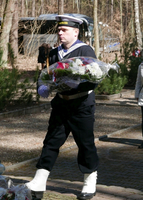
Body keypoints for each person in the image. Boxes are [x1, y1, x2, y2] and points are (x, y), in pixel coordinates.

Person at [25, 15, 99, 200]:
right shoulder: (54, 52)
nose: (59, 33)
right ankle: (39, 180)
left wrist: (75, 84)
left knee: (85, 144)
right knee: (51, 142)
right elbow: (45, 75)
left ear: (76, 31)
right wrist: (43, 86)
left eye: (64, 30)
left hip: (81, 105)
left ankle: (90, 180)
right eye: (59, 30)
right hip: (61, 104)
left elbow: (93, 80)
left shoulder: (85, 50)